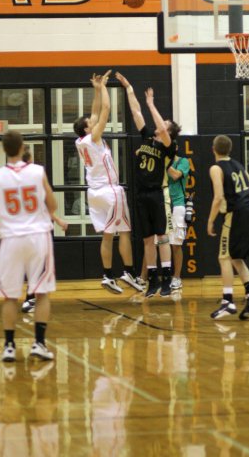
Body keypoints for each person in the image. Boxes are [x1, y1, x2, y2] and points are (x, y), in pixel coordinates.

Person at [0, 130, 57, 362]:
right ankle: (39, 344)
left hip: (11, 240)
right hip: (37, 237)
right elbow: (51, 203)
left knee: (10, 297)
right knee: (41, 293)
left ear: (4, 149)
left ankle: (10, 346)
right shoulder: (37, 171)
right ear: (23, 147)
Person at [0, 146, 68, 312]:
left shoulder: (3, 178)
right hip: (32, 232)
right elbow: (45, 206)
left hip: (11, 232)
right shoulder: (33, 177)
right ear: (28, 160)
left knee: (3, 264)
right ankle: (30, 301)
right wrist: (58, 219)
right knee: (36, 266)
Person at [74, 70, 144, 294]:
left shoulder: (81, 140)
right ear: (88, 128)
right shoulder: (94, 138)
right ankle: (130, 273)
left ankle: (107, 275)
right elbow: (104, 109)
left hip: (94, 194)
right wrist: (104, 87)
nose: (93, 119)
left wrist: (95, 89)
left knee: (106, 234)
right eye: (90, 122)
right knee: (124, 231)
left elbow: (95, 111)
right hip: (109, 191)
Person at [115, 72, 181, 297]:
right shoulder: (145, 139)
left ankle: (166, 279)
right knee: (147, 240)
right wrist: (129, 88)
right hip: (141, 195)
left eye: (166, 125)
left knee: (162, 237)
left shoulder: (168, 147)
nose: (161, 125)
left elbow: (161, 128)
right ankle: (152, 280)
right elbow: (135, 112)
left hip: (158, 194)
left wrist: (151, 104)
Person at [208, 135, 249, 321]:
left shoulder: (216, 168)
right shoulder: (238, 164)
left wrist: (210, 221)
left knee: (224, 257)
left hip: (235, 214)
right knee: (236, 258)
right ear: (229, 149)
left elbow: (218, 197)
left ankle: (228, 301)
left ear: (213, 148)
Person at [166, 150, 191, 292]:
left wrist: (164, 164)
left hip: (178, 204)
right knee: (157, 242)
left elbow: (175, 175)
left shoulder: (183, 162)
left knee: (176, 244)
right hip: (163, 204)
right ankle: (147, 278)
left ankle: (176, 277)